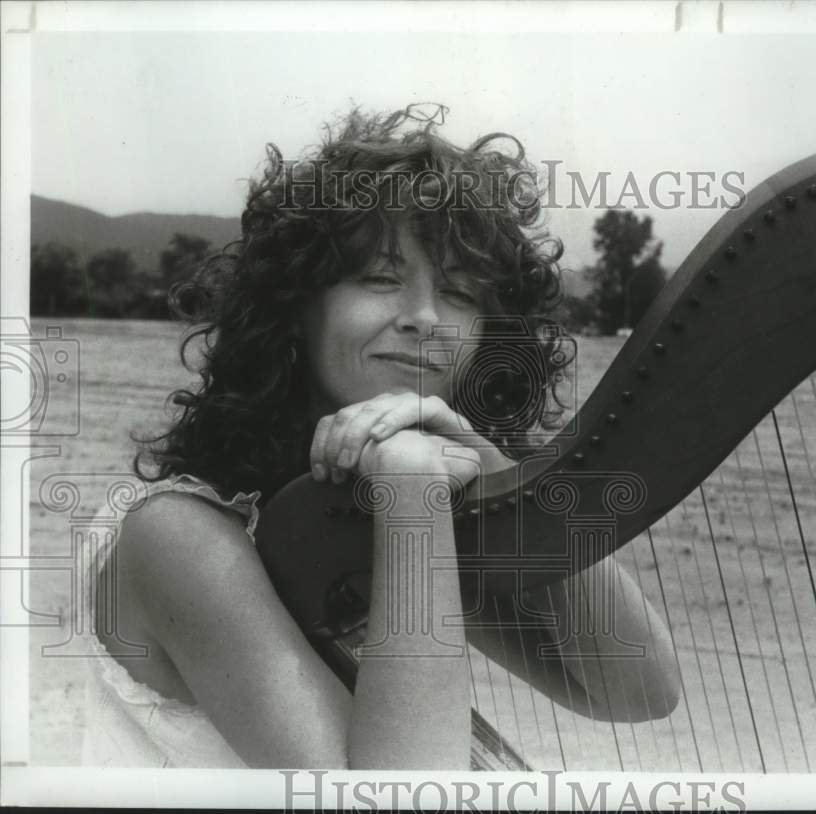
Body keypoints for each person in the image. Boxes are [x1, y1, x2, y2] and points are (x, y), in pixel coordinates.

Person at [80, 104, 680, 770]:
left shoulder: (351, 513)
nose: (425, 318)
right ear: (293, 307)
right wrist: (413, 488)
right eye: (380, 279)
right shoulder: (175, 537)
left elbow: (637, 690)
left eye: (459, 292)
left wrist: (500, 473)